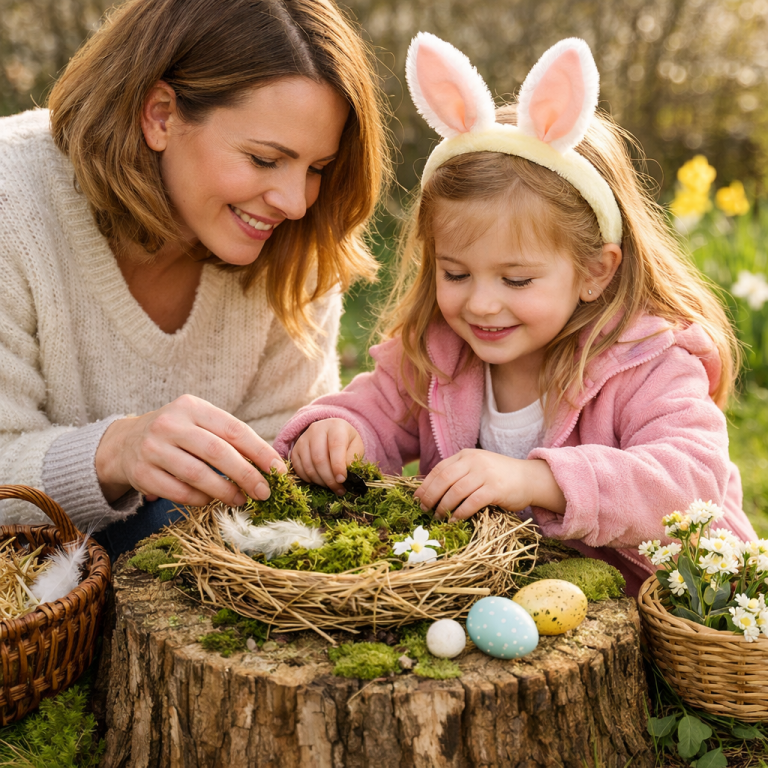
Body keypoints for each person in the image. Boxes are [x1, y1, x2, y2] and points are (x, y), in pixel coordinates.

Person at [274, 33, 757, 595]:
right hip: (513, 607)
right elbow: (374, 409)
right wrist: (339, 432)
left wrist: (537, 479)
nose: (480, 303)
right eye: (455, 273)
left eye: (517, 279)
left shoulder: (645, 362)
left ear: (595, 271)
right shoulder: (442, 352)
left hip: (660, 615)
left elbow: (688, 482)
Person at [0, 0, 389, 558]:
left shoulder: (294, 245)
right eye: (262, 159)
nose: (295, 202)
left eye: (317, 168)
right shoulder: (12, 204)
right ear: (160, 115)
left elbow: (277, 480)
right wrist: (114, 453)